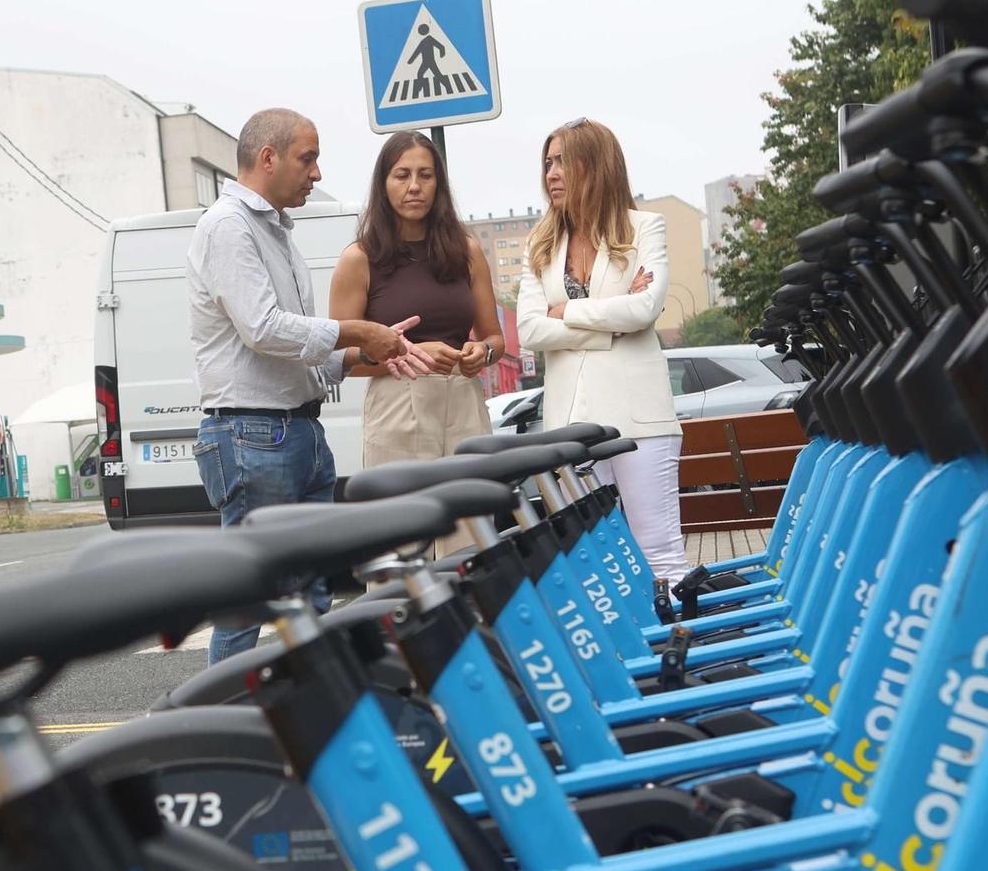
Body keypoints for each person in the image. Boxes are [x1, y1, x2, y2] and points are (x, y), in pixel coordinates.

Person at [188, 107, 432, 663]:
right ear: (268, 158)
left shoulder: (273, 230)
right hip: (253, 436)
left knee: (309, 594)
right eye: (308, 158)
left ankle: (310, 716)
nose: (317, 173)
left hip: (292, 430)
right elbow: (263, 329)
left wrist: (366, 350)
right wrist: (356, 329)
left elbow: (299, 351)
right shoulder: (229, 227)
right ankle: (232, 725)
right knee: (256, 596)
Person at [515, 117, 685, 583]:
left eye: (564, 162)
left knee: (659, 556)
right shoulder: (540, 244)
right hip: (569, 428)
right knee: (598, 564)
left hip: (640, 420)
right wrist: (609, 321)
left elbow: (645, 308)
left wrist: (563, 311)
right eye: (548, 162)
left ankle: (684, 649)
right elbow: (529, 329)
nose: (551, 173)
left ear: (598, 166)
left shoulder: (643, 227)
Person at [329, 130, 503, 553]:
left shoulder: (466, 251)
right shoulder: (360, 258)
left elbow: (494, 336)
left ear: (439, 184)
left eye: (425, 175)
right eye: (401, 175)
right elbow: (337, 357)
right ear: (383, 183)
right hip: (395, 407)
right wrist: (409, 352)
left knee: (472, 545)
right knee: (405, 549)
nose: (414, 186)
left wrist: (483, 353)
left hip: (463, 402)